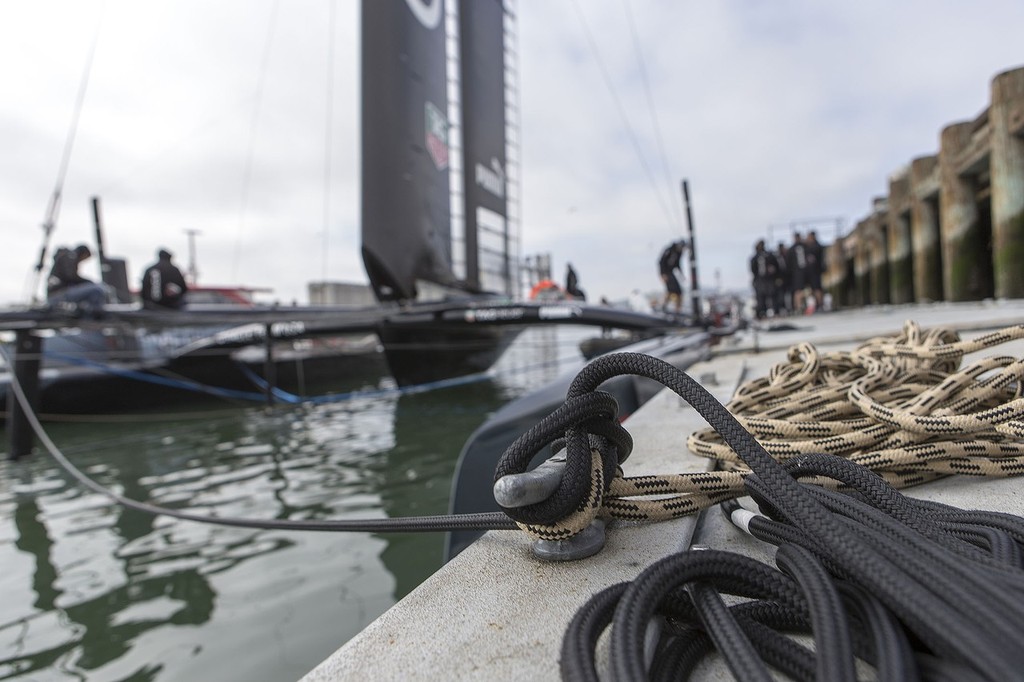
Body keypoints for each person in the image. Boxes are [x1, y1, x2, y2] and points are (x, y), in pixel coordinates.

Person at [46, 244, 107, 312]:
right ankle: (95, 316)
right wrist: (88, 282)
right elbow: (70, 277)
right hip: (60, 295)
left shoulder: (65, 257)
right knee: (97, 289)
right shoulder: (70, 256)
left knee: (93, 289)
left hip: (55, 295)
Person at [749, 239, 777, 320]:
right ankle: (762, 313)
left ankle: (773, 311)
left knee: (771, 296)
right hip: (760, 280)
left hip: (767, 279)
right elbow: (753, 269)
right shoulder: (756, 257)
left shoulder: (769, 256)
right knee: (761, 297)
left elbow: (775, 266)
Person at [658, 240, 687, 314]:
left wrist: (681, 275)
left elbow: (677, 264)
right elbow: (661, 262)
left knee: (679, 292)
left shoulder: (679, 253)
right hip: (666, 272)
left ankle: (678, 309)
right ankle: (663, 306)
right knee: (670, 291)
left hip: (671, 272)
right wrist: (662, 274)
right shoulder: (669, 250)